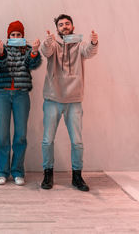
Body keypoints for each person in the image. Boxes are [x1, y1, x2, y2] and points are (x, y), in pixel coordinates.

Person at [40, 14, 99, 191]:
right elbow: (45, 52)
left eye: (67, 24)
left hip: (74, 100)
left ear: (72, 26)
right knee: (47, 140)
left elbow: (89, 51)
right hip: (52, 99)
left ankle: (77, 176)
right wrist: (47, 42)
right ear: (57, 29)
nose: (64, 26)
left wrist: (94, 42)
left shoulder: (80, 44)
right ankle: (48, 174)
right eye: (61, 24)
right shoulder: (54, 45)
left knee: (77, 142)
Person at [0, 20, 41, 186]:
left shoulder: (26, 49)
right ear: (8, 36)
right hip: (2, 94)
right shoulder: (1, 48)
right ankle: (2, 172)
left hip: (21, 94)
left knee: (21, 135)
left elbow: (33, 64)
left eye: (19, 34)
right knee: (2, 136)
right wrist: (0, 51)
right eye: (13, 34)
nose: (16, 37)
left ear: (23, 36)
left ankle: (18, 171)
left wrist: (34, 52)